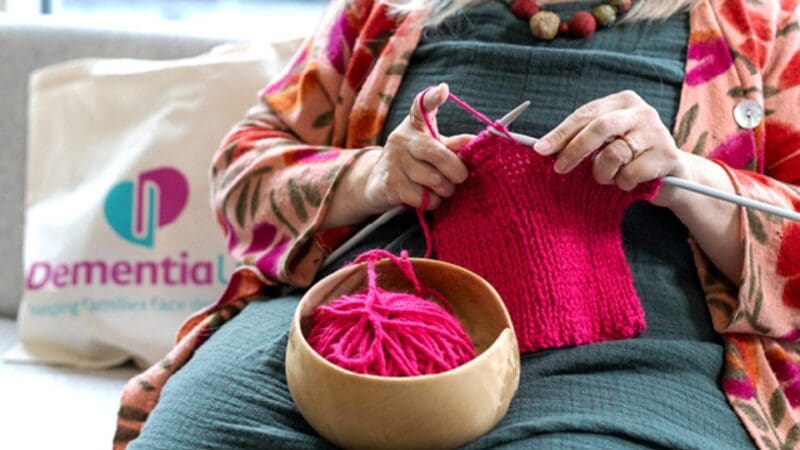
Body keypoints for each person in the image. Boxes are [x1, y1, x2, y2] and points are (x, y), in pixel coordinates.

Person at [114, 0, 800, 448]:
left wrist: (689, 179)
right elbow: (242, 174)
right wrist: (374, 176)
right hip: (360, 329)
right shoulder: (385, 12)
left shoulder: (765, 25)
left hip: (627, 360)